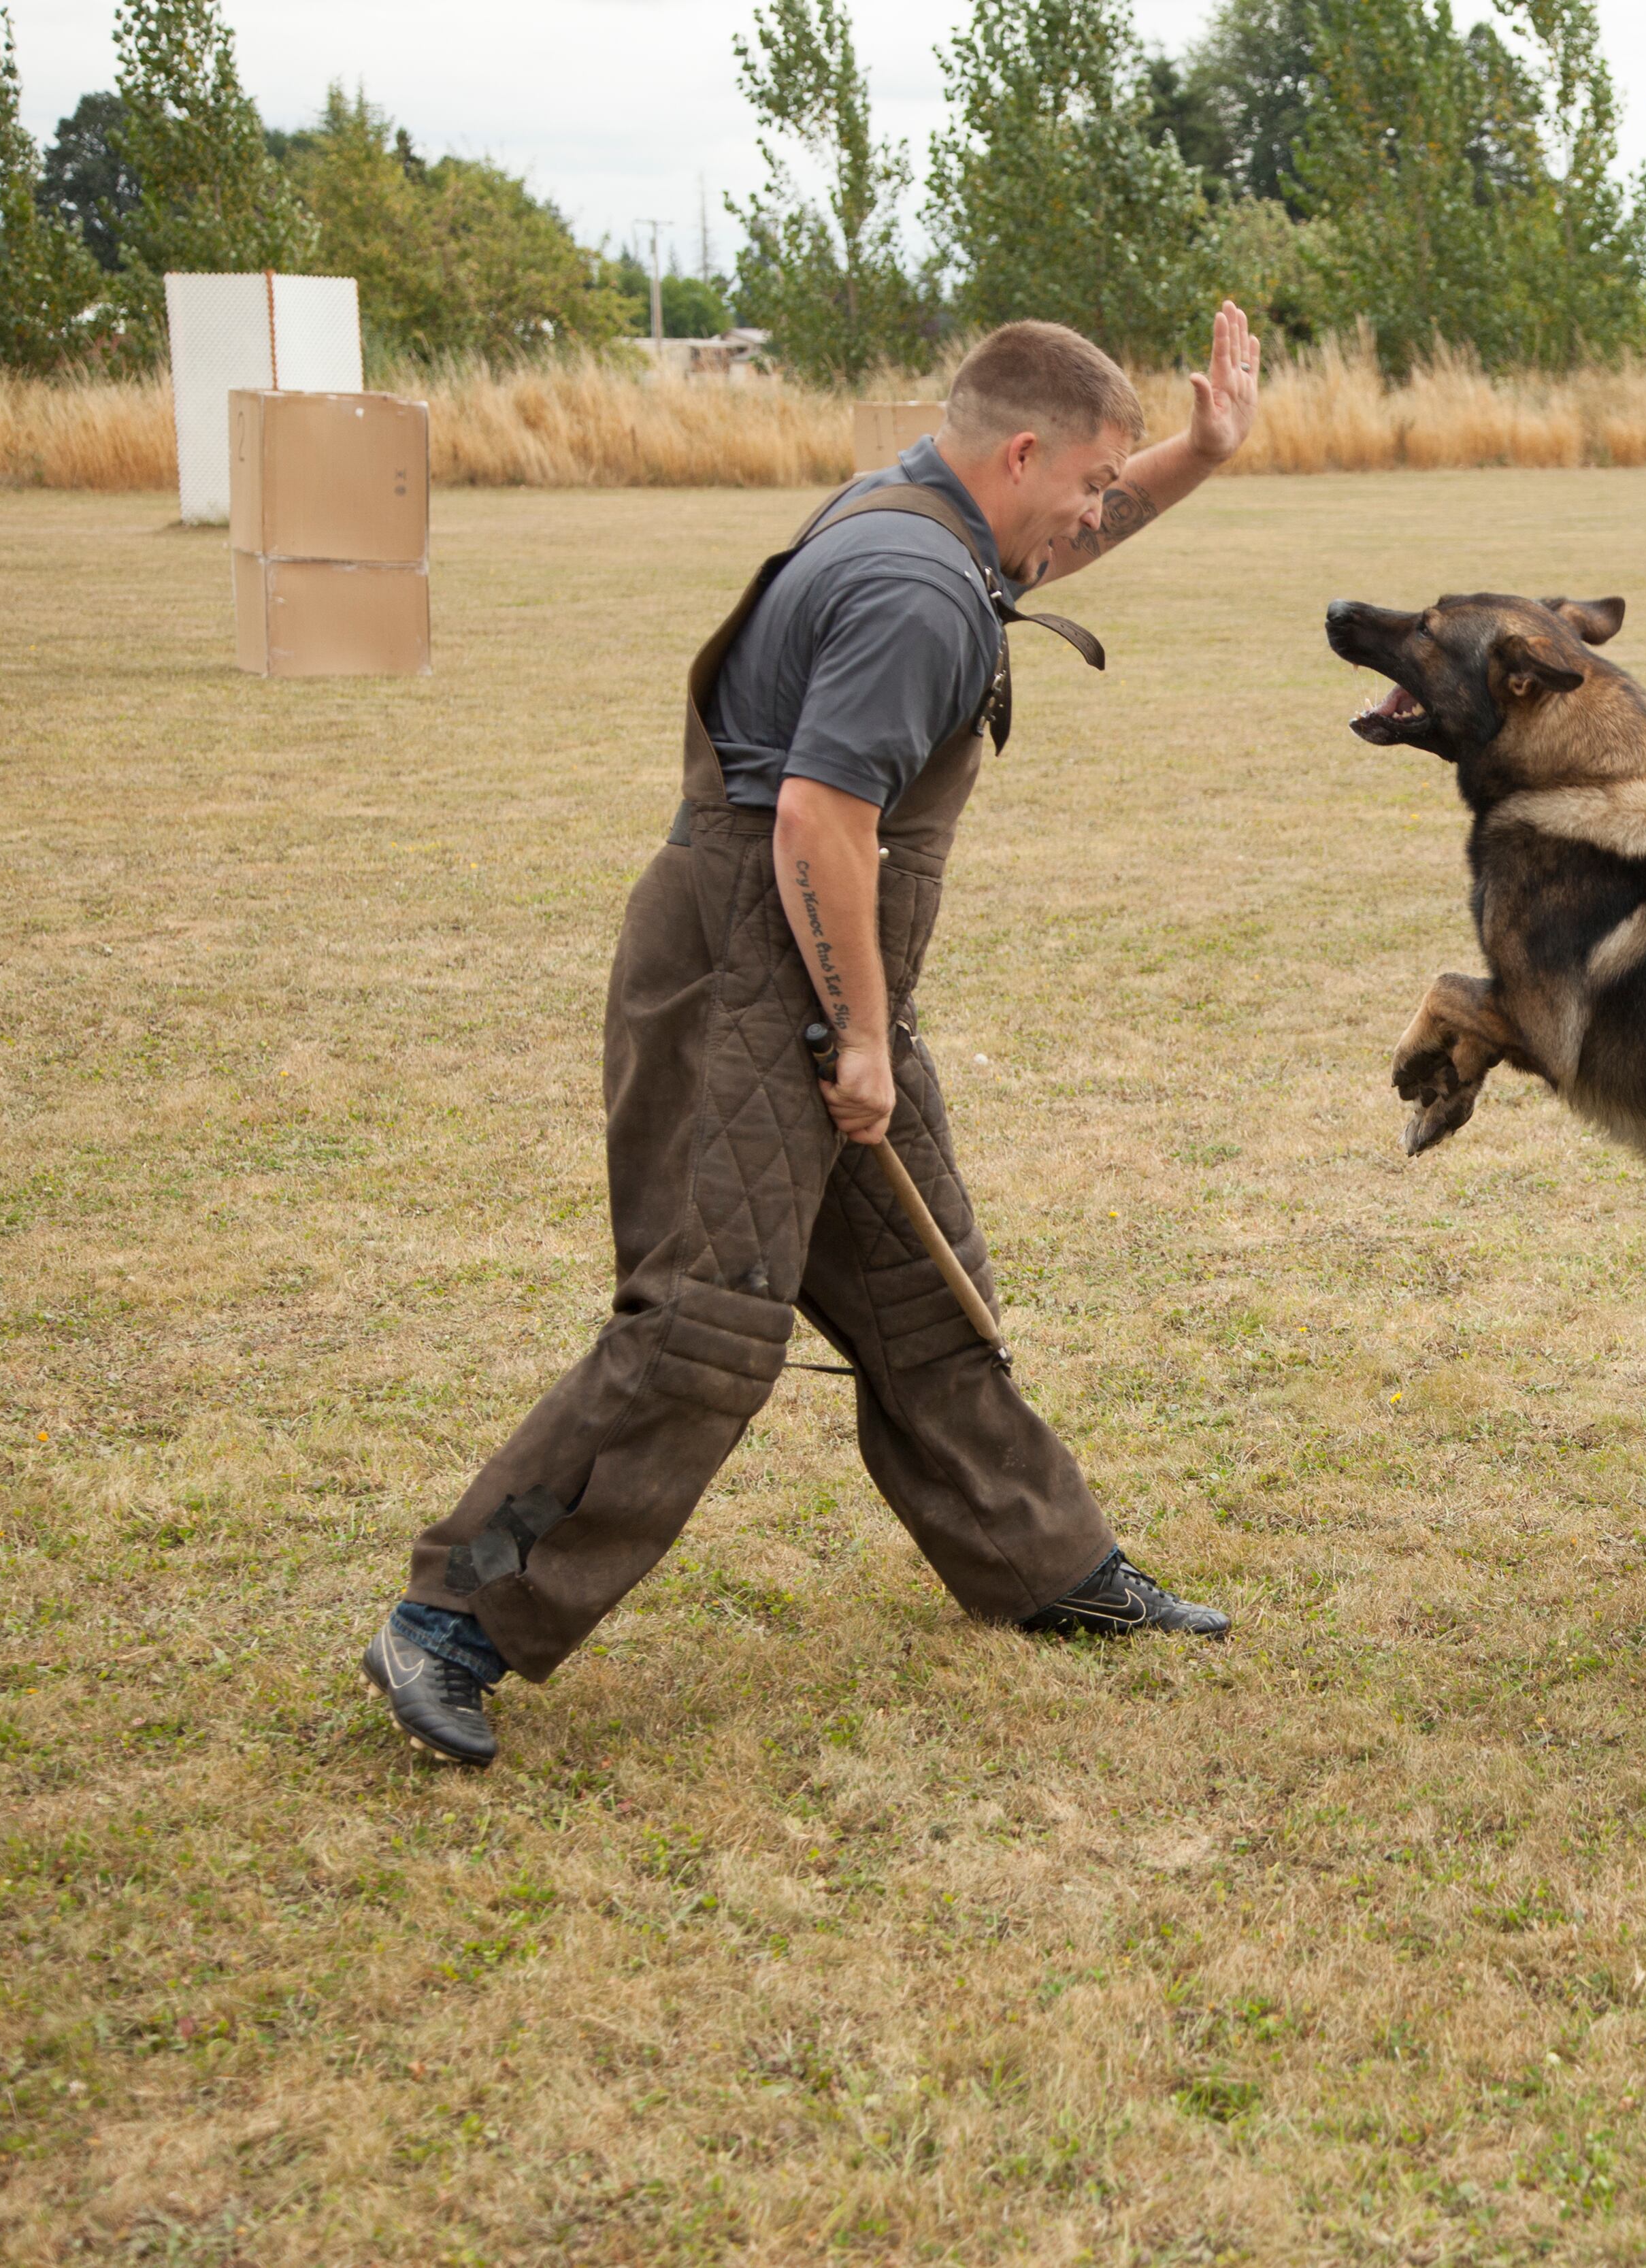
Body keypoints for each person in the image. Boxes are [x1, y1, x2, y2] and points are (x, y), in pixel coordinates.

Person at [365, 309, 1263, 1768]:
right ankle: (453, 1619)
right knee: (709, 1319)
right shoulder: (915, 588)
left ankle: (1045, 1566)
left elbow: (1044, 551)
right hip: (748, 978)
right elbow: (819, 820)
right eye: (1093, 480)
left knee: (923, 1291)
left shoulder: (935, 517)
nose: (1100, 512)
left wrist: (1198, 455)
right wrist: (855, 1034)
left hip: (814, 974)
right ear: (1021, 450)